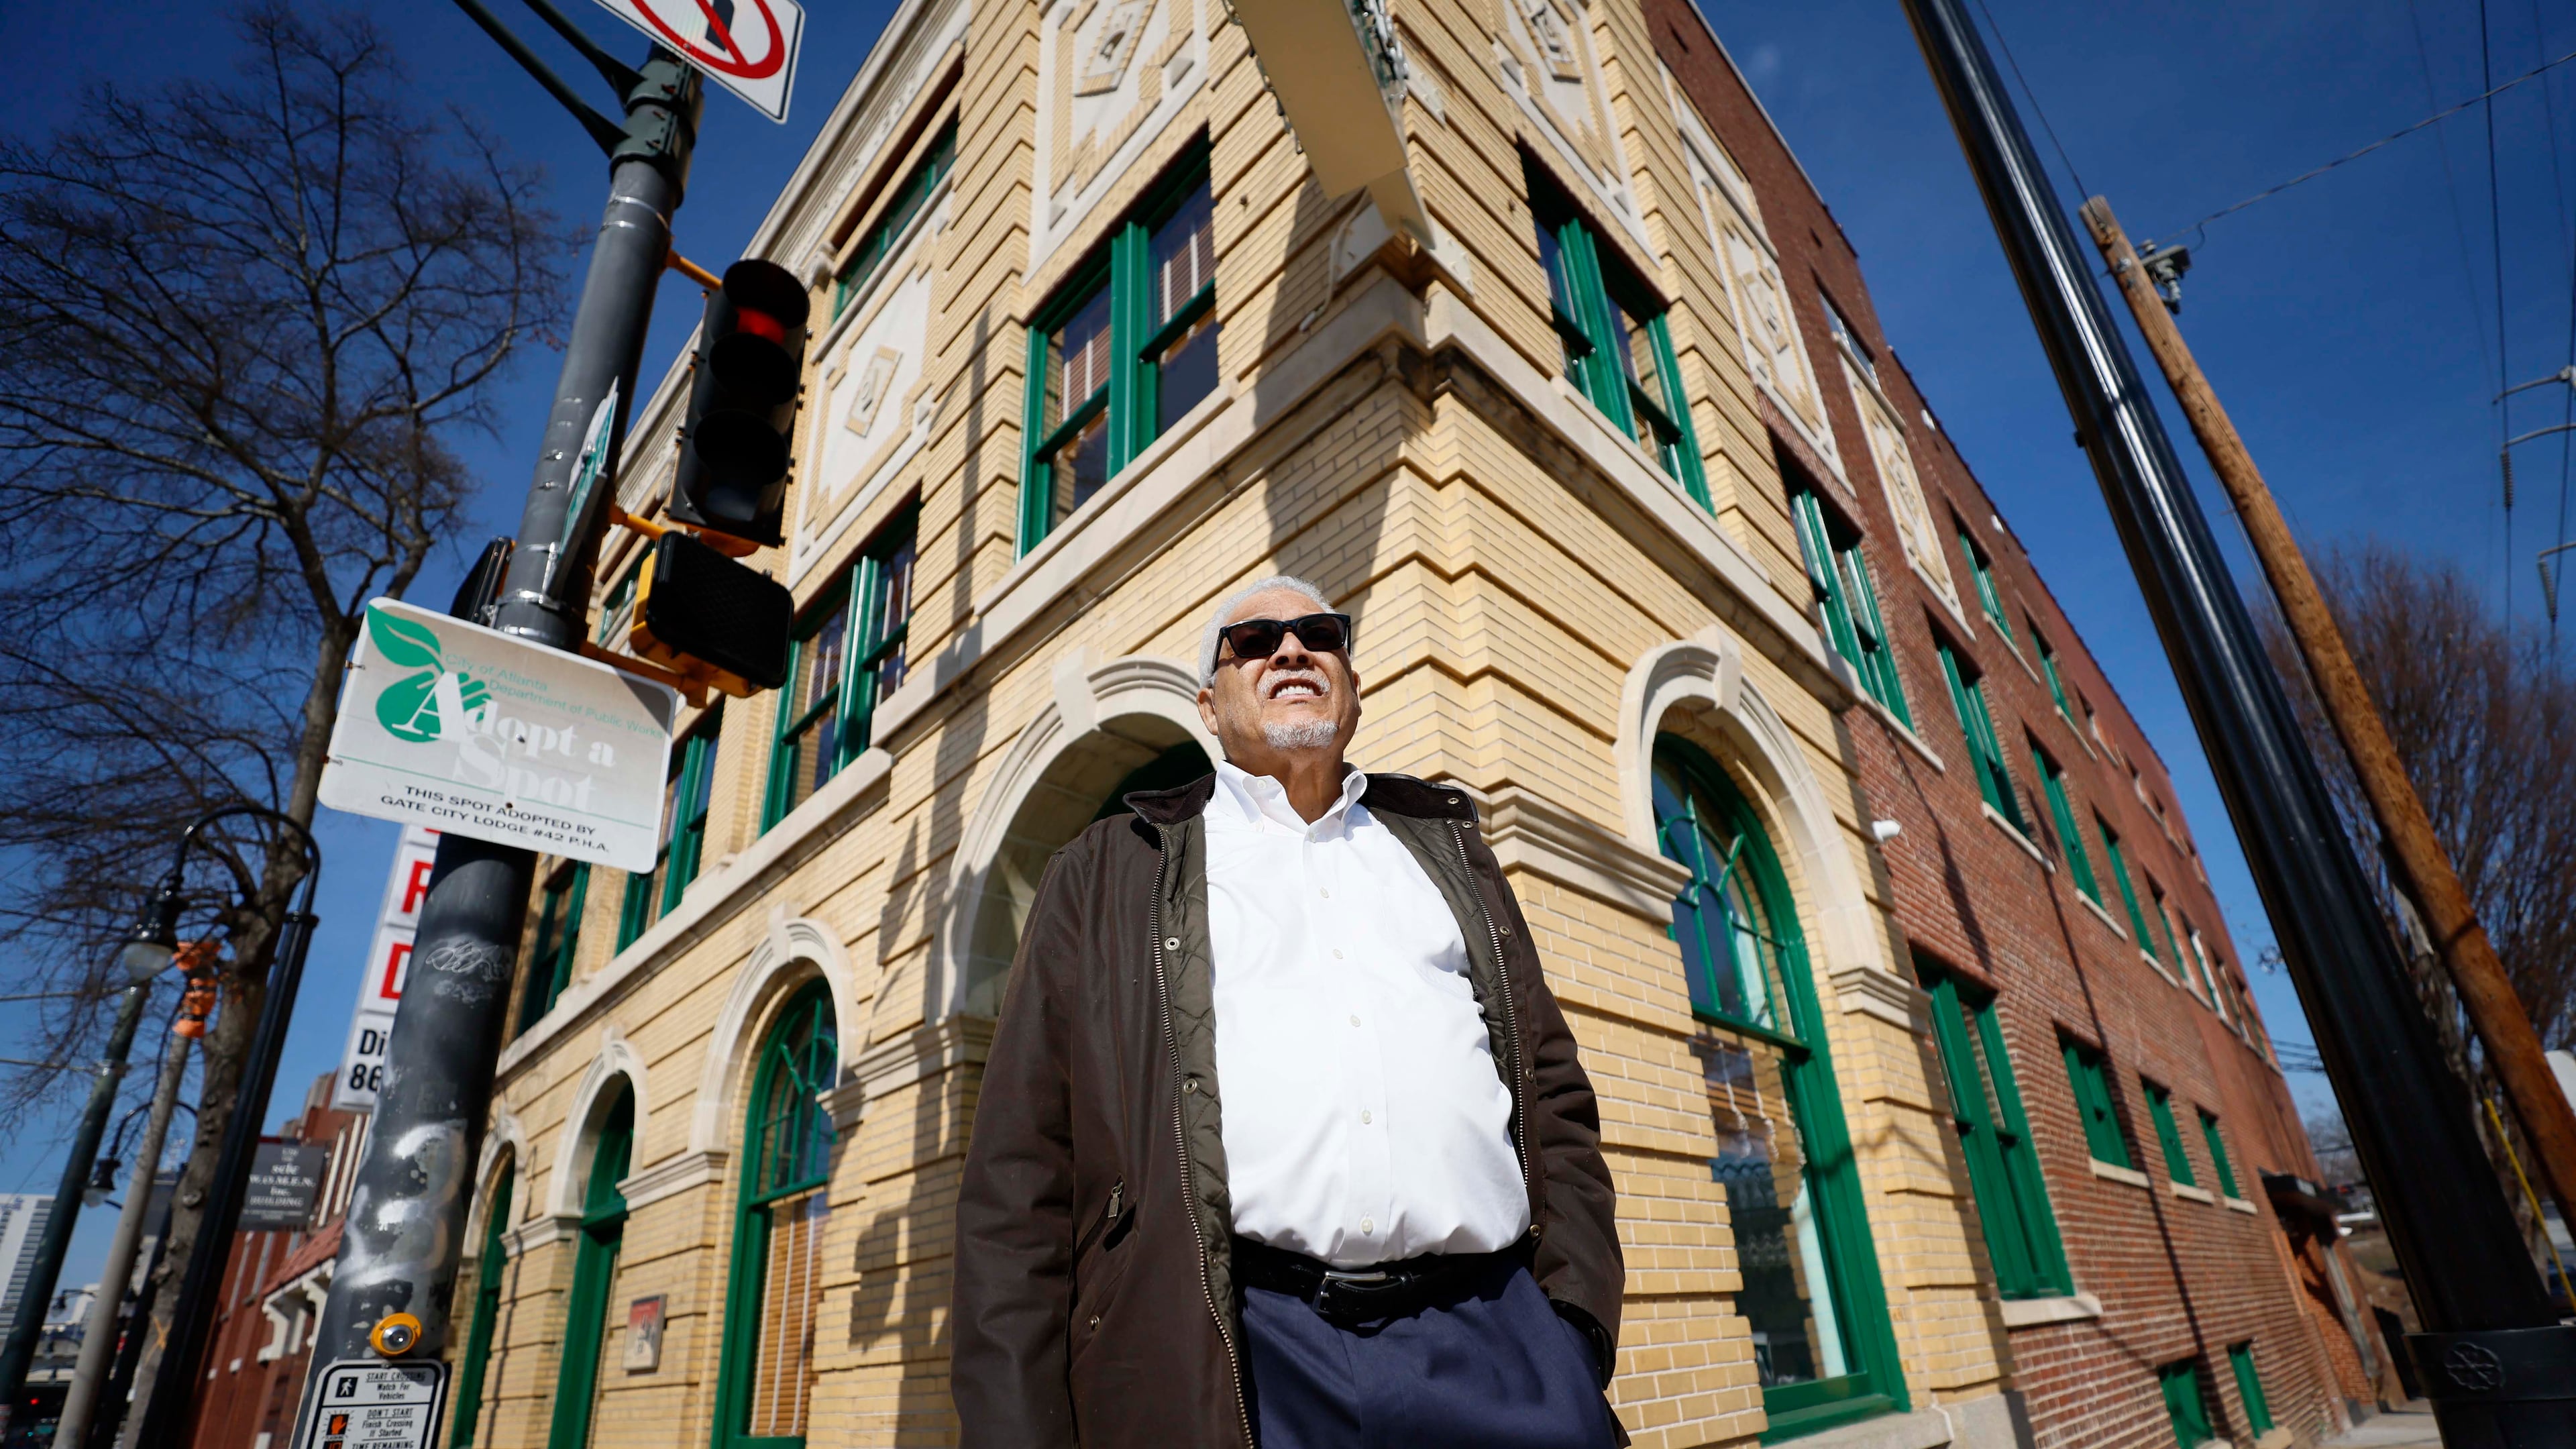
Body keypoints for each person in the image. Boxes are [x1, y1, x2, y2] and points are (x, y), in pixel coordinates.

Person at [952, 575, 1623, 1447]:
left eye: (1319, 633)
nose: (1291, 649)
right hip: (1245, 1360)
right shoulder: (1109, 869)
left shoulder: (1449, 848)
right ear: (1209, 700)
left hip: (1501, 1345)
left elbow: (1552, 1093)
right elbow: (1020, 1170)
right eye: (1256, 640)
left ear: (1352, 687)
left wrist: (1570, 1328)